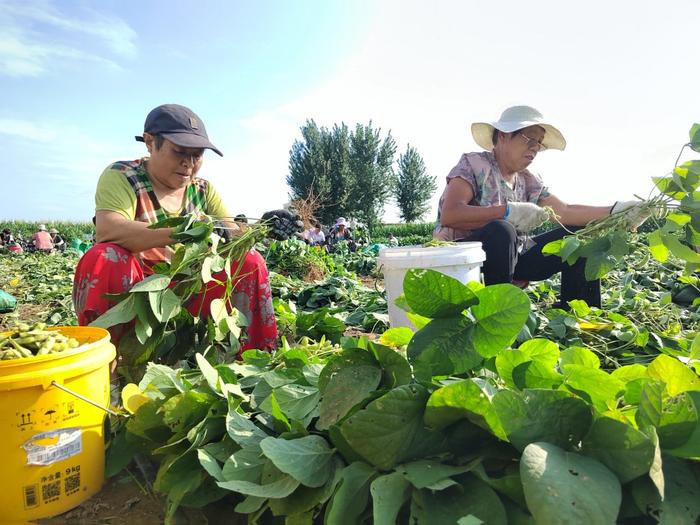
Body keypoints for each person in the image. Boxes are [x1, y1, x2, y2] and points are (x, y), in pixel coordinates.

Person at [72, 104, 279, 351]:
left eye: (197, 155)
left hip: (187, 294)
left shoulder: (202, 189)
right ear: (150, 143)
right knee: (105, 257)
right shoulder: (124, 176)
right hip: (136, 295)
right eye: (179, 152)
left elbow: (230, 230)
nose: (188, 164)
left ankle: (253, 358)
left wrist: (266, 227)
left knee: (249, 260)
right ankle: (107, 358)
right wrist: (185, 231)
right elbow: (108, 230)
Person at [434, 105, 649, 307]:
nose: (535, 148)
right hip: (462, 256)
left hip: (512, 256)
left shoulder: (528, 179)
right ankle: (499, 314)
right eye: (529, 140)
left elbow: (564, 211)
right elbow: (451, 214)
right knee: (502, 230)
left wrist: (616, 211)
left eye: (538, 143)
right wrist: (508, 212)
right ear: (503, 136)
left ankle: (581, 319)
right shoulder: (474, 164)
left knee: (578, 240)